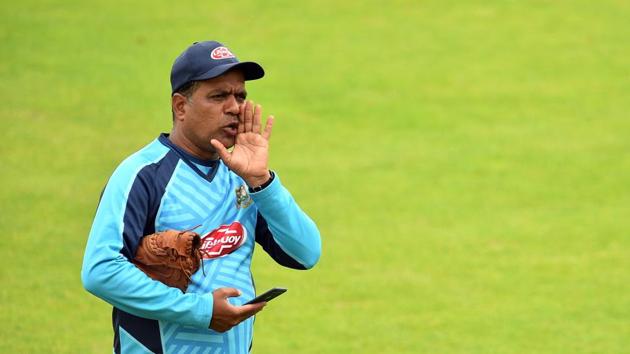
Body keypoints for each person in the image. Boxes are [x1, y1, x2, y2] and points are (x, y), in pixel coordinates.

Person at [81, 40, 322, 354]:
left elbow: (306, 253)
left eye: (240, 96)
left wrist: (262, 181)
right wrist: (201, 311)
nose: (234, 107)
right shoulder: (142, 174)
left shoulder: (244, 178)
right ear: (181, 106)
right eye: (219, 96)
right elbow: (100, 271)